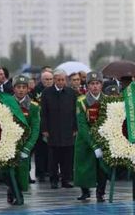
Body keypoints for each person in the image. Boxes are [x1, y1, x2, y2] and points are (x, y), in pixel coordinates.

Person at [40, 70, 78, 189]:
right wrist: (44, 129)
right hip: (53, 130)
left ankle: (66, 179)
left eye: (63, 80)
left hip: (68, 129)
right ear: (54, 80)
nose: (61, 82)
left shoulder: (71, 93)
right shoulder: (46, 93)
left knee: (67, 157)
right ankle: (54, 180)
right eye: (58, 80)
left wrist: (75, 127)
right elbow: (43, 113)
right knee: (53, 157)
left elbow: (75, 112)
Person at [74, 72, 108, 202]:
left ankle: (101, 192)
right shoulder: (81, 101)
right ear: (88, 86)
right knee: (84, 166)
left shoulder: (107, 100)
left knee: (102, 167)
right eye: (92, 84)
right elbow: (82, 125)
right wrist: (93, 144)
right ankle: (85, 191)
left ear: (101, 85)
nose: (95, 86)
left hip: (102, 138)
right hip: (85, 139)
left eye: (97, 83)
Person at [7, 75, 40, 204]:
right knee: (6, 172)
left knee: (21, 172)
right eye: (18, 87)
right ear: (13, 88)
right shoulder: (6, 103)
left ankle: (18, 194)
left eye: (23, 87)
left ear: (27, 89)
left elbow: (35, 128)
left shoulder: (33, 106)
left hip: (24, 144)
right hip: (8, 144)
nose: (21, 90)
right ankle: (12, 190)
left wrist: (27, 147)